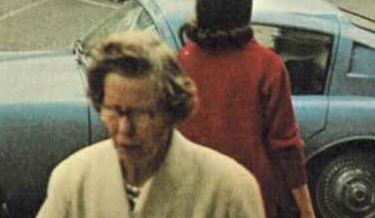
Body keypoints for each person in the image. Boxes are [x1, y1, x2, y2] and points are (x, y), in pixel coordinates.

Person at [38, 33, 264, 218]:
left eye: (142, 114)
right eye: (114, 111)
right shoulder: (73, 180)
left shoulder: (229, 191)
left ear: (171, 110)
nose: (125, 129)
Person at [177, 0, 315, 218]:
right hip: (250, 197)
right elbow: (286, 146)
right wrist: (306, 210)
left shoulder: (180, 62)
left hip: (193, 196)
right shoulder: (267, 66)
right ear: (244, 8)